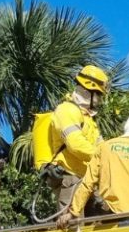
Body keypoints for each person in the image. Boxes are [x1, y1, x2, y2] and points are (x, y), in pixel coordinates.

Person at [64, 113, 129, 221]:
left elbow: (87, 183)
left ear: (126, 128)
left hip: (112, 212)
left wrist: (74, 212)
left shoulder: (104, 147)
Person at [45, 65, 108, 217]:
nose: (99, 100)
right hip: (71, 177)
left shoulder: (88, 119)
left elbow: (101, 146)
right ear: (89, 91)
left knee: (102, 220)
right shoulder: (67, 110)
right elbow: (75, 143)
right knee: (72, 226)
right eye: (98, 95)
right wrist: (102, 158)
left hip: (86, 179)